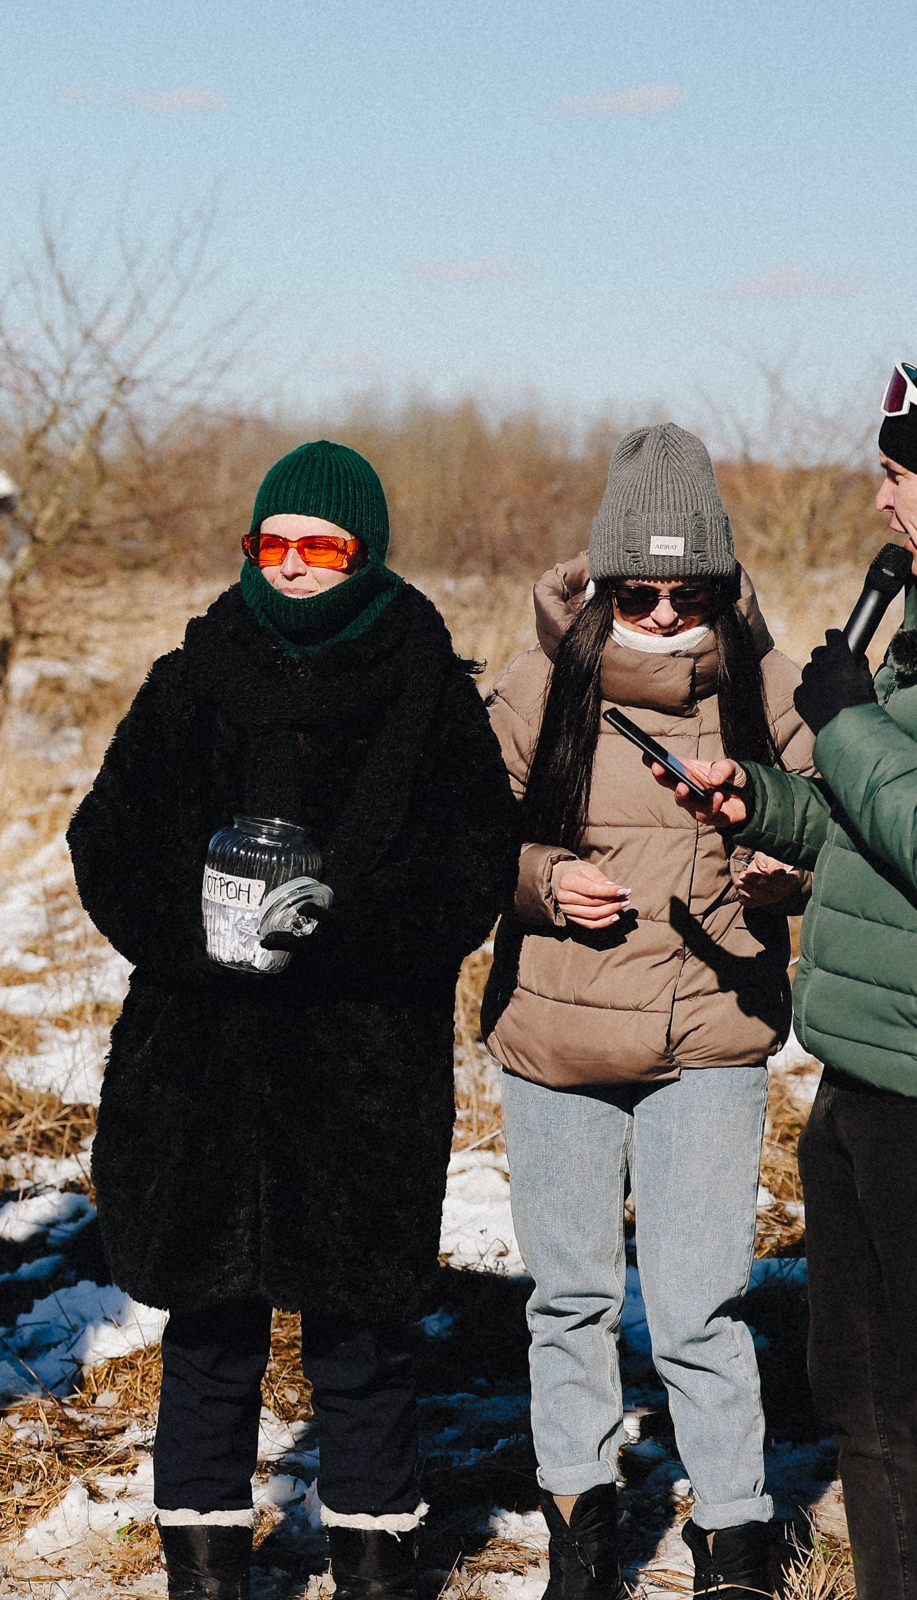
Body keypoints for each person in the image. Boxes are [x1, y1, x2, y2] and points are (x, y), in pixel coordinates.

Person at [68, 441, 518, 1600]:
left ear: (363, 555)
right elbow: (106, 842)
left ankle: (374, 1564)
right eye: (275, 544)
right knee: (210, 1333)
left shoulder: (429, 688)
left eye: (322, 546)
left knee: (363, 1339)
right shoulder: (193, 676)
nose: (296, 565)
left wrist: (340, 930)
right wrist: (201, 929)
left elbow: (470, 868)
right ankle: (206, 1569)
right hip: (201, 1061)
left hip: (361, 1069)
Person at [482, 424, 812, 1600]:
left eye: (690, 592)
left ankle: (735, 1537)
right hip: (556, 1040)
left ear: (722, 585)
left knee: (699, 1305)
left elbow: (828, 825)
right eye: (640, 591)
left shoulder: (771, 689)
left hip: (711, 1041)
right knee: (567, 1300)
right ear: (604, 580)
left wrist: (789, 875)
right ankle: (578, 1523)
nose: (666, 615)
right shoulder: (539, 687)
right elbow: (465, 841)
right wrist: (538, 878)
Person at [659, 365, 917, 1600]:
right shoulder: (912, 626)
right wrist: (765, 800)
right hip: (861, 1067)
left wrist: (851, 726)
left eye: (899, 474)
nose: (879, 502)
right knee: (862, 1395)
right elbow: (876, 834)